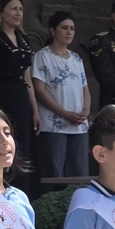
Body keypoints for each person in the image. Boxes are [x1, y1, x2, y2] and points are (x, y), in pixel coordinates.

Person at [0, 0, 40, 192]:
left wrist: (35, 110)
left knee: (23, 149)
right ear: (0, 13)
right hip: (1, 98)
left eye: (21, 9)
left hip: (21, 100)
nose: (18, 13)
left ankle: (22, 194)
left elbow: (27, 77)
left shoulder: (23, 39)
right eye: (13, 8)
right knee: (3, 146)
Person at [32, 11, 90, 182]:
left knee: (79, 174)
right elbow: (39, 90)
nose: (69, 32)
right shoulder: (41, 56)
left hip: (78, 125)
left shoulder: (76, 58)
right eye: (64, 28)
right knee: (54, 173)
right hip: (53, 125)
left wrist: (86, 111)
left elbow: (85, 88)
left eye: (72, 28)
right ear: (52, 31)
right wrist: (64, 113)